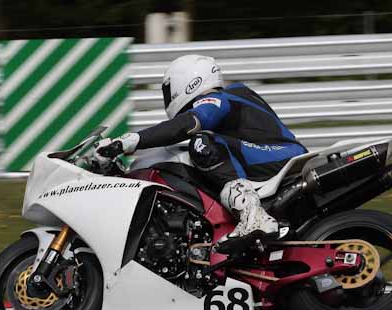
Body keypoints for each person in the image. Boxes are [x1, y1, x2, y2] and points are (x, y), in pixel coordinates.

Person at [93, 54, 307, 251]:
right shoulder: (235, 98)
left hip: (280, 156)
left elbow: (192, 121)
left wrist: (131, 141)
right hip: (274, 157)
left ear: (186, 83)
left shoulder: (219, 98)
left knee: (202, 143)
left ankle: (254, 216)